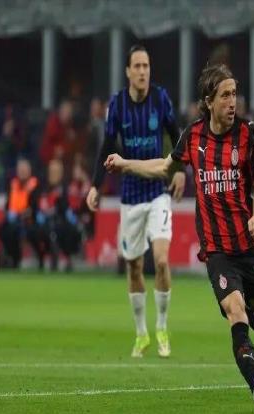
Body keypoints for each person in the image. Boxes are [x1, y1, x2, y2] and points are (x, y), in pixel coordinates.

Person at [104, 63, 254, 414]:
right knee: (234, 313)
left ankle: (253, 303)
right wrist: (124, 163)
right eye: (225, 95)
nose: (232, 102)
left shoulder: (247, 134)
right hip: (218, 251)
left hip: (249, 247)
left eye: (235, 94)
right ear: (209, 101)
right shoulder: (194, 136)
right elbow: (164, 167)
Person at [86, 45, 185, 358]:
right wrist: (96, 186)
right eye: (138, 66)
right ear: (128, 71)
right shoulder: (117, 105)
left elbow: (178, 135)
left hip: (157, 191)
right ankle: (141, 333)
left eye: (146, 65)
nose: (143, 71)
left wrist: (181, 171)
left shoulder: (160, 98)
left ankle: (162, 327)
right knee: (133, 267)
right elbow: (106, 146)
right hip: (130, 196)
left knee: (162, 260)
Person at [0, 158, 39, 268]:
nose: (22, 172)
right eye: (20, 170)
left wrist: (21, 214)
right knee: (1, 229)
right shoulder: (13, 184)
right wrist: (9, 213)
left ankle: (17, 257)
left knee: (16, 230)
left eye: (24, 170)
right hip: (13, 219)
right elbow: (7, 205)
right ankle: (10, 257)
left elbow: (35, 207)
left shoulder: (35, 185)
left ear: (29, 171)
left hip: (28, 220)